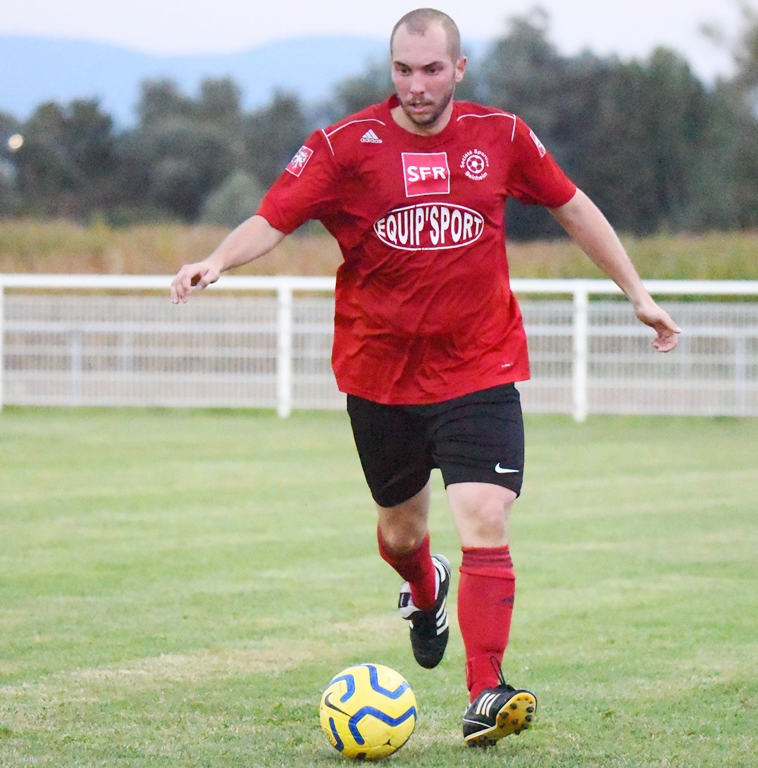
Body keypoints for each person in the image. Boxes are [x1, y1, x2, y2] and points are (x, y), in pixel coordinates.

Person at [171, 7, 681, 748]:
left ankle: (485, 692)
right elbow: (272, 218)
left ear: (459, 69)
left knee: (485, 515)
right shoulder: (343, 147)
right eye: (404, 70)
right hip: (380, 376)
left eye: (432, 70)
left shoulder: (501, 136)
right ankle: (424, 586)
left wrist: (637, 293)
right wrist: (217, 260)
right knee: (401, 531)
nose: (417, 85)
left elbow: (572, 207)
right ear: (391, 70)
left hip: (480, 365)